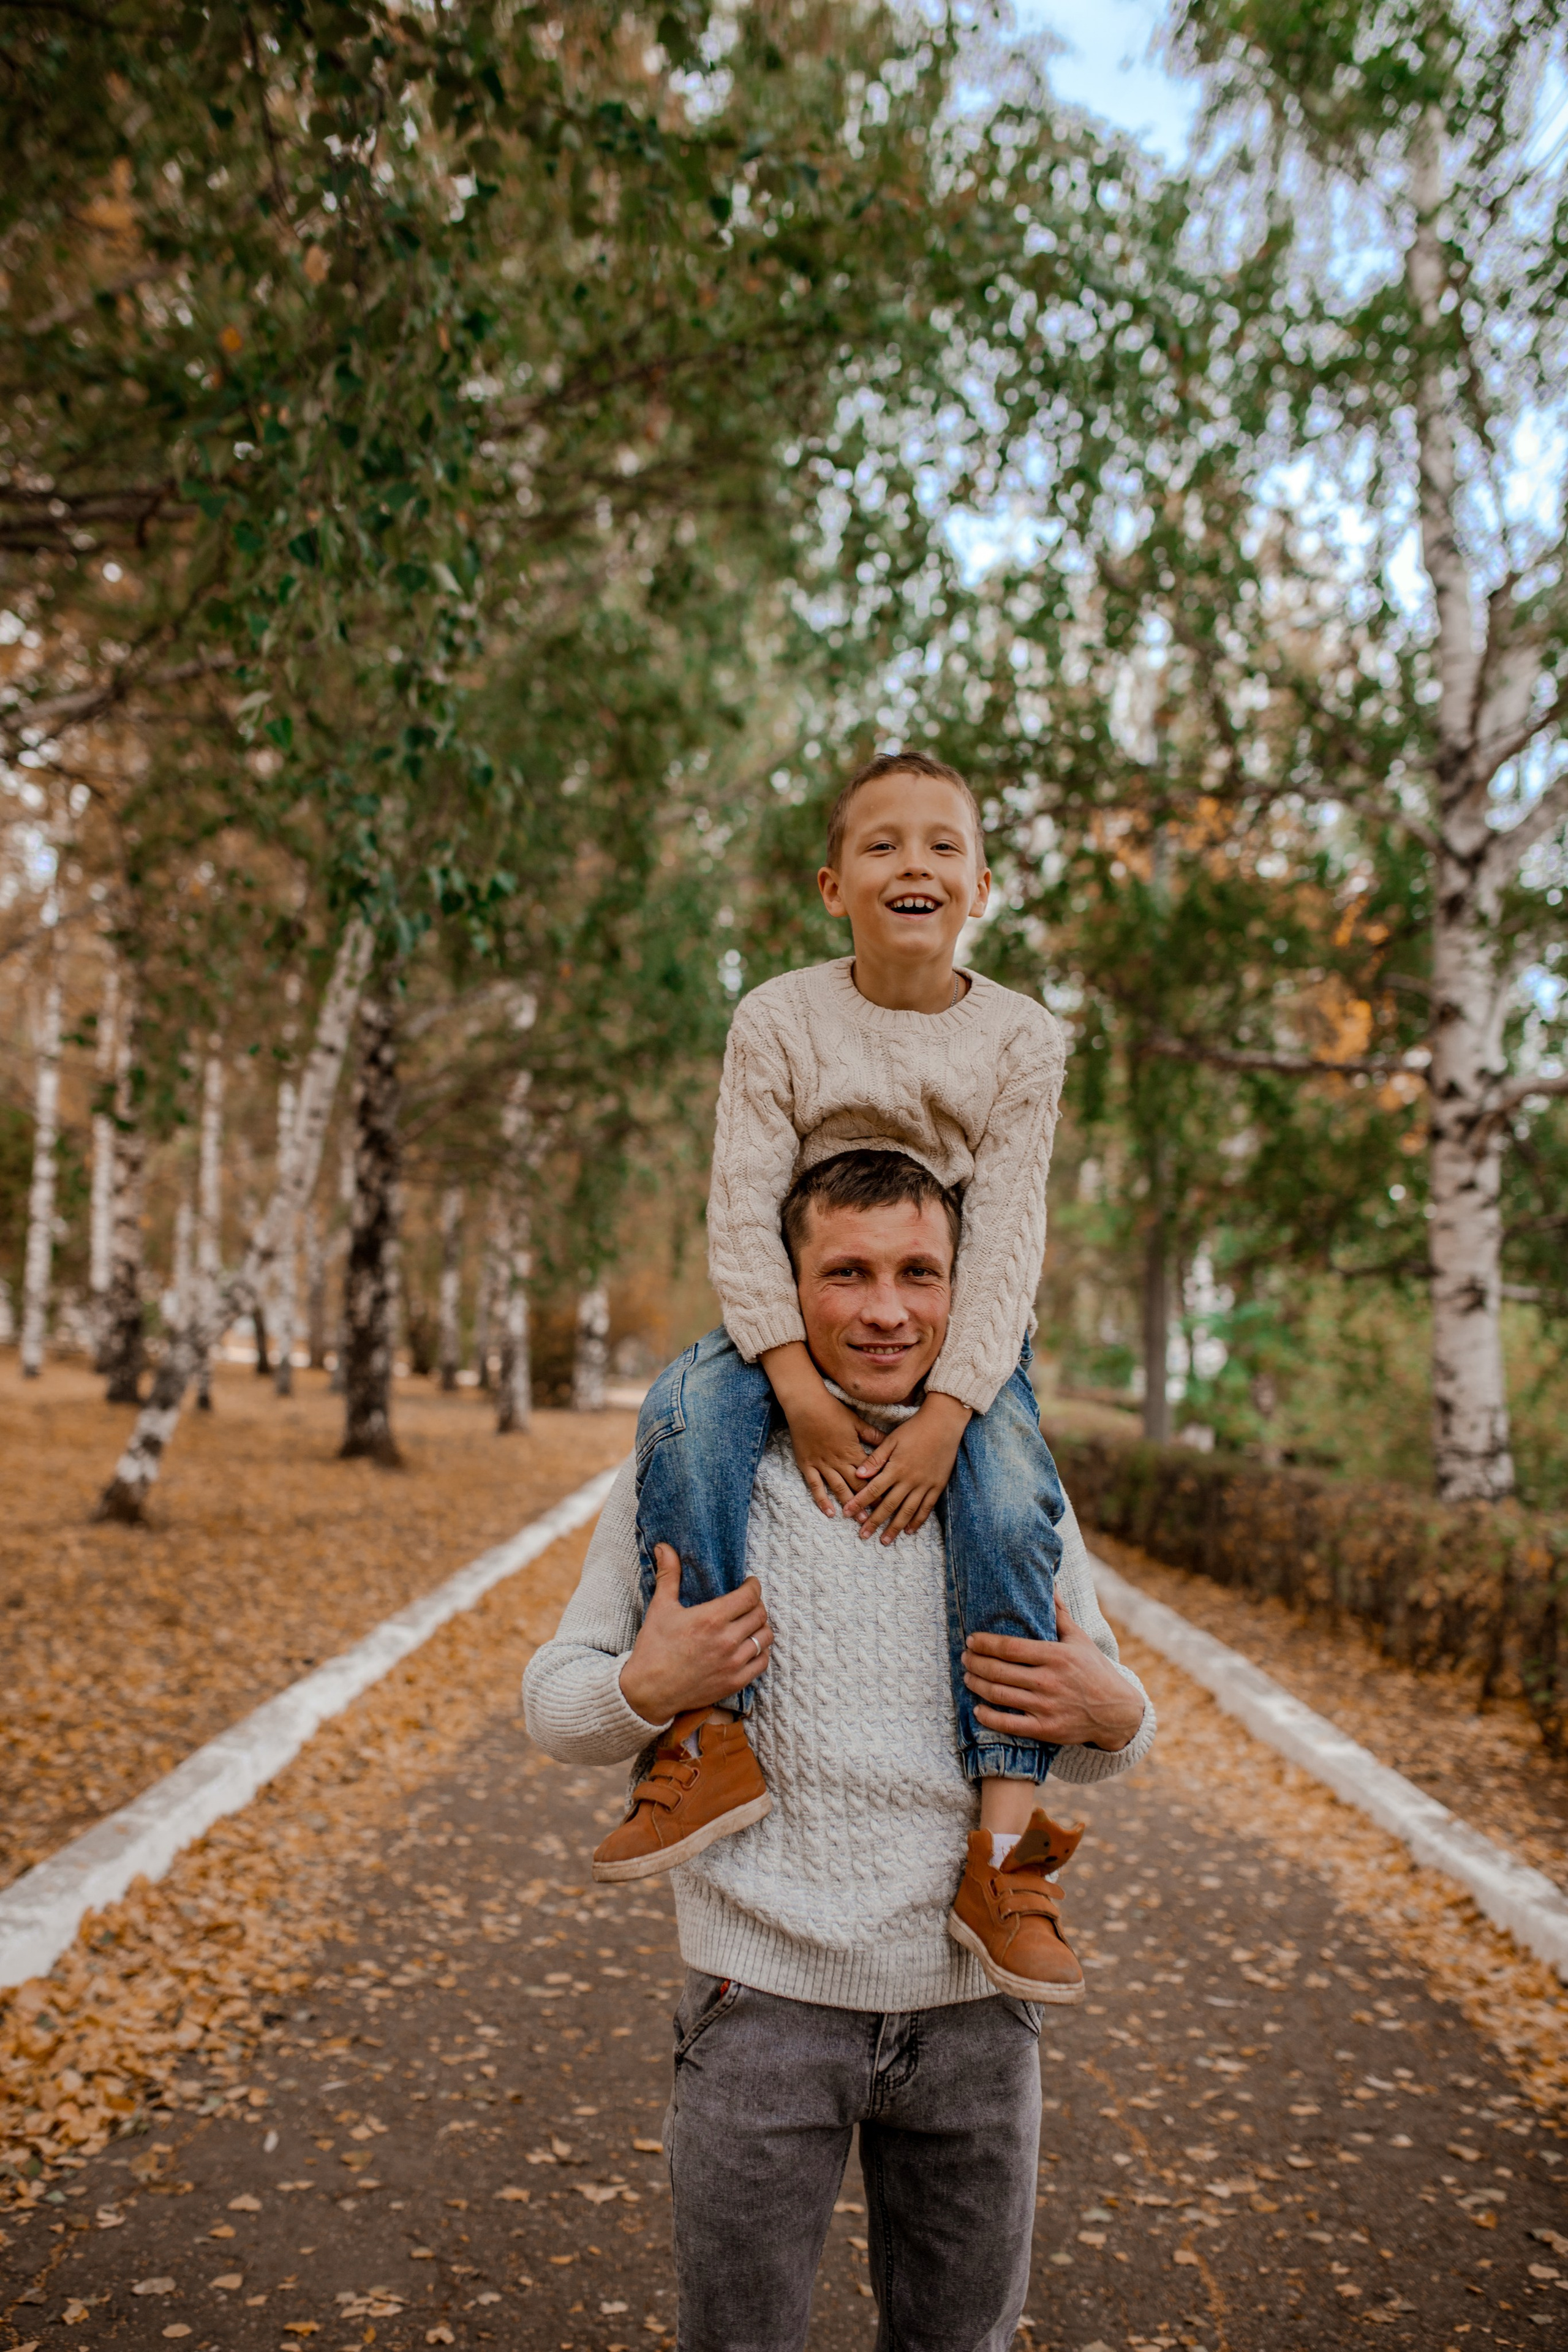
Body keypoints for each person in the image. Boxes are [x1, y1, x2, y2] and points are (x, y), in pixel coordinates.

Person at [522, 1157, 1153, 2351]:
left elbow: (1107, 1716)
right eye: (846, 1272)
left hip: (978, 2013)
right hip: (757, 2007)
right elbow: (554, 1703)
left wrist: (1112, 1716)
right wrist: (639, 1691)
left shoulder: (1009, 1477)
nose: (885, 1310)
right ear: (785, 1286)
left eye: (919, 1273)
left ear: (962, 1289)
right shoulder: (700, 1459)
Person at [595, 751, 1075, 1991]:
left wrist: (952, 1416)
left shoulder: (1021, 1038)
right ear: (830, 884)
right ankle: (706, 1743)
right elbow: (740, 1209)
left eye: (938, 845)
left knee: (1013, 1499)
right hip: (790, 1313)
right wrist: (793, 1388)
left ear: (982, 882)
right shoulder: (778, 1019)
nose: (910, 863)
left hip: (951, 1327)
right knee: (685, 1416)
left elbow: (1007, 1238)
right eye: (880, 845)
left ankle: (1004, 1848)